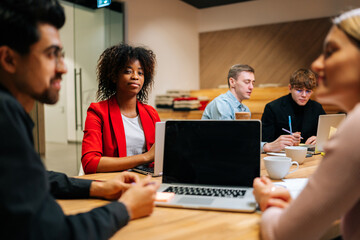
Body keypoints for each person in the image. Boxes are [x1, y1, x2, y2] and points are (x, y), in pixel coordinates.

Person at [0, 0, 159, 239]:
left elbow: (38, 178)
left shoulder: (10, 112)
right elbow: (53, 233)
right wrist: (125, 208)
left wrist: (99, 187)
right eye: (52, 54)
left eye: (61, 55)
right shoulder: (5, 115)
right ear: (9, 59)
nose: (63, 68)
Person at [253, 8, 360, 240]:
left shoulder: (356, 127)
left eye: (330, 51)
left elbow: (284, 234)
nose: (317, 63)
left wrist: (267, 200)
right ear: (290, 88)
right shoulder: (274, 107)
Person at [81, 43, 160, 174]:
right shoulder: (97, 112)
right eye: (128, 71)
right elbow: (90, 163)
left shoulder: (151, 113)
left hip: (146, 183)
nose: (135, 76)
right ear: (113, 76)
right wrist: (145, 157)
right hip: (113, 183)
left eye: (140, 73)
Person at [201, 64, 301, 152]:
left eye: (253, 83)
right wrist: (267, 146)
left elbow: (245, 142)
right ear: (232, 82)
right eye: (247, 82)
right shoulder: (221, 104)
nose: (251, 87)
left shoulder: (245, 109)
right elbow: (228, 143)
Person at [261, 69, 326, 145]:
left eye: (308, 91)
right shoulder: (273, 108)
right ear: (290, 88)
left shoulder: (317, 108)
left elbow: (328, 134)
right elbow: (265, 141)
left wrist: (320, 139)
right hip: (281, 154)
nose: (304, 95)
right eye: (299, 90)